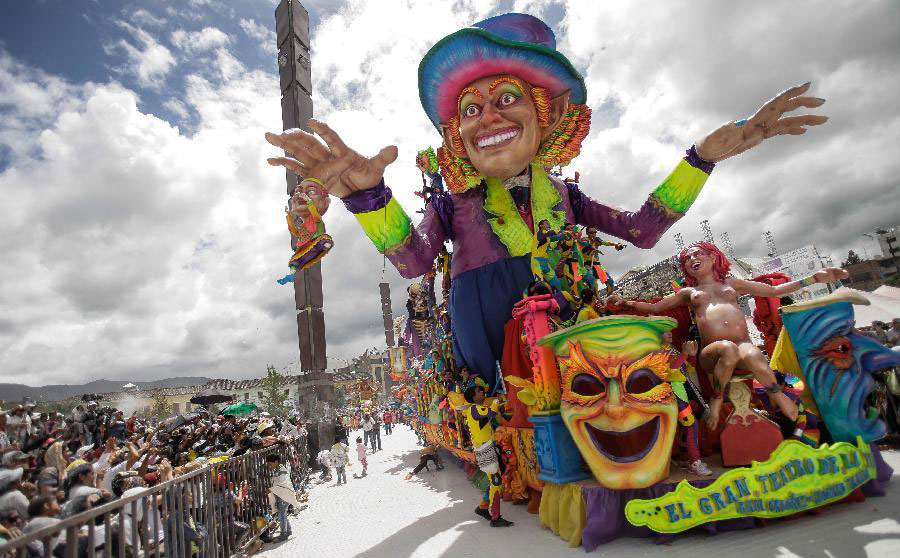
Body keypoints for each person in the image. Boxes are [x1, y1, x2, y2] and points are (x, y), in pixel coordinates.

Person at [609, 241, 847, 431]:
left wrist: (814, 278)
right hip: (712, 354)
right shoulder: (689, 292)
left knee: (752, 352)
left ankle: (778, 397)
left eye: (697, 254)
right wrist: (625, 301)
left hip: (742, 348)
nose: (692, 259)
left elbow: (774, 290)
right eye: (688, 258)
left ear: (713, 257)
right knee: (727, 348)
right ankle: (716, 398)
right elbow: (655, 308)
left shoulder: (733, 283)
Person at [463, 385, 513, 528]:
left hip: (486, 448)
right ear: (473, 397)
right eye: (479, 391)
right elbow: (491, 411)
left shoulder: (474, 409)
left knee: (494, 480)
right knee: (496, 482)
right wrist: (497, 400)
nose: (483, 392)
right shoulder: (474, 408)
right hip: (485, 450)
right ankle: (495, 518)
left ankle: (483, 507)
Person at [264, 452, 300, 543]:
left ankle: (284, 534)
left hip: (284, 496)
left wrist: (271, 490)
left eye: (270, 464)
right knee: (282, 514)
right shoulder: (279, 469)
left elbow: (283, 484)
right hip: (282, 495)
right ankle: (288, 531)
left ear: (276, 462)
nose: (269, 466)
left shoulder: (281, 471)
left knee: (281, 515)